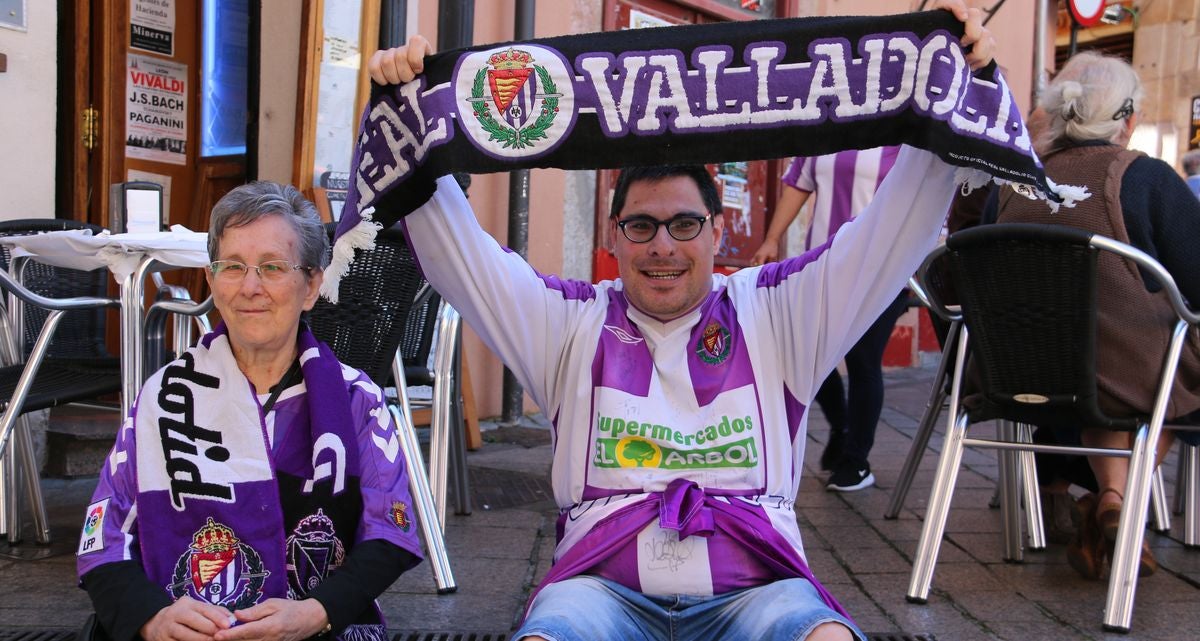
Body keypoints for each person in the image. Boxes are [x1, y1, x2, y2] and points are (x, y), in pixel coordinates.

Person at [369, 3, 992, 639]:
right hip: (600, 596)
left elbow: (896, 229)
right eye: (641, 225)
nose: (662, 247)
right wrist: (408, 116)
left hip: (759, 597)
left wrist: (958, 87)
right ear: (614, 236)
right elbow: (459, 256)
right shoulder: (568, 324)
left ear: (717, 230)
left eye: (685, 224)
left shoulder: (777, 312)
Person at [76, 183, 423, 641]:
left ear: (312, 285)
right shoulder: (163, 397)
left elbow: (390, 533)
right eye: (233, 267)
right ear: (212, 280)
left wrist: (317, 612)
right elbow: (102, 538)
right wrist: (152, 617)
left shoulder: (356, 399)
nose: (250, 287)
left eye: (273, 268)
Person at [989, 51, 1200, 580]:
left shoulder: (1014, 181)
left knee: (1115, 367)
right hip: (1119, 375)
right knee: (1169, 366)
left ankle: (1106, 501)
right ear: (1128, 120)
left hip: (1015, 378)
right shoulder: (1148, 179)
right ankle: (1113, 501)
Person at [749, 148, 906, 491]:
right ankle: (841, 426)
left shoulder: (903, 140)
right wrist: (772, 239)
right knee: (804, 355)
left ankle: (856, 462)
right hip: (822, 267)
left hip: (881, 270)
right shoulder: (828, 131)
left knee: (863, 361)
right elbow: (797, 185)